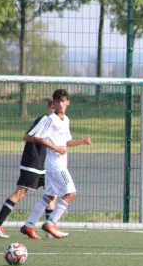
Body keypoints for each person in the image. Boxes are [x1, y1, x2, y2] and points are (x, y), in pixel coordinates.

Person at [19, 89, 92, 239]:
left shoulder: (66, 120)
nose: (60, 104)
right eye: (57, 101)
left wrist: (81, 141)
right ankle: (51, 223)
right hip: (55, 165)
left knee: (49, 196)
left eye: (62, 101)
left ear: (67, 102)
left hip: (59, 164)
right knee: (71, 193)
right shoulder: (50, 119)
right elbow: (37, 137)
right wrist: (55, 148)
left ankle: (29, 225)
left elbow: (65, 142)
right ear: (53, 102)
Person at [0, 100, 58, 239]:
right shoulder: (44, 119)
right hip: (32, 162)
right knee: (20, 193)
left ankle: (50, 228)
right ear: (48, 107)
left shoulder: (55, 124)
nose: (55, 111)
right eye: (53, 107)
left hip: (44, 165)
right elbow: (26, 136)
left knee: (53, 193)